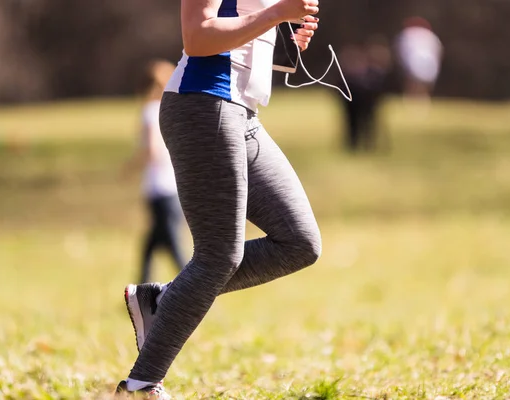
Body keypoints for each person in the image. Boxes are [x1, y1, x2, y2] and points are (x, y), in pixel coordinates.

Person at [115, 0, 322, 398]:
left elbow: (242, 40)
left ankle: (160, 300)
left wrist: (285, 43)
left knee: (300, 242)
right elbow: (197, 37)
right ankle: (140, 385)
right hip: (202, 105)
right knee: (217, 256)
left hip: (243, 113)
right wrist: (275, 14)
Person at [121, 60, 187, 284]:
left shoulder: (150, 111)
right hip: (174, 186)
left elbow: (152, 150)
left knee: (174, 248)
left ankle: (195, 292)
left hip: (159, 188)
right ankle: (142, 288)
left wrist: (131, 166)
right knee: (150, 245)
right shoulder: (171, 112)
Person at [339, 37, 392, 152]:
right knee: (357, 122)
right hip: (354, 97)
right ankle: (356, 144)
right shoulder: (357, 74)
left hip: (365, 98)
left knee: (367, 121)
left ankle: (364, 143)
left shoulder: (374, 73)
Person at [395, 16, 443, 103]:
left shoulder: (406, 34)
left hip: (413, 61)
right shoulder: (432, 36)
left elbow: (401, 50)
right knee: (424, 85)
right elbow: (439, 51)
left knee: (412, 83)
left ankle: (410, 100)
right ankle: (424, 101)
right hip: (430, 62)